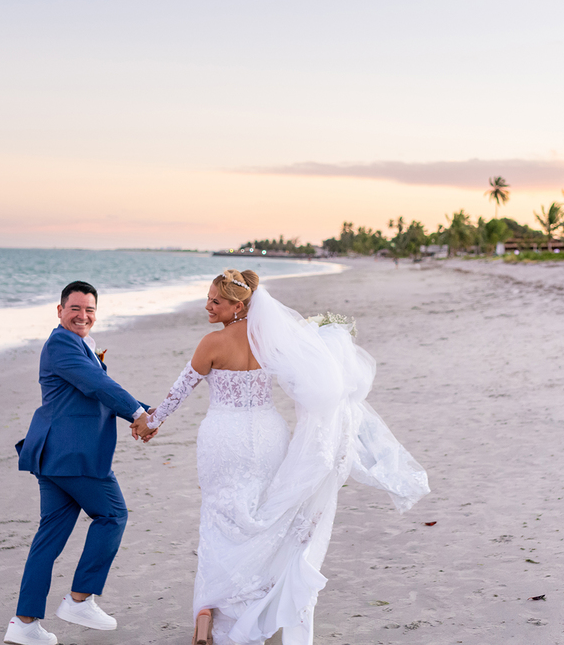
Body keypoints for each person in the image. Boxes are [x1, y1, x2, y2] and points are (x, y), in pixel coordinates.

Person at [132, 269, 429, 645]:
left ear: (238, 306)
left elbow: (178, 392)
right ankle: (253, 604)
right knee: (262, 514)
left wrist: (150, 422)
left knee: (220, 517)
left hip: (224, 437)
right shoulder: (270, 341)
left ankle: (210, 609)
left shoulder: (211, 343)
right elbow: (309, 382)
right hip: (268, 433)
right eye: (208, 299)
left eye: (216, 301)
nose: (207, 306)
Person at [5, 281, 152, 645]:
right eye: (75, 308)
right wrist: (137, 413)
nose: (82, 315)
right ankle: (80, 599)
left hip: (54, 455)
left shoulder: (77, 343)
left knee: (49, 539)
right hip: (72, 455)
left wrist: (146, 410)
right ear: (60, 310)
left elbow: (98, 388)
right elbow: (96, 385)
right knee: (113, 515)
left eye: (89, 310)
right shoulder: (60, 343)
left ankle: (24, 624)